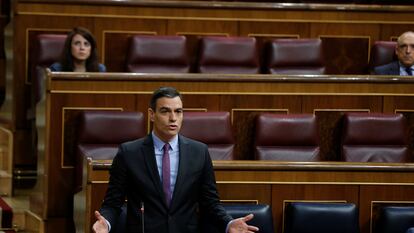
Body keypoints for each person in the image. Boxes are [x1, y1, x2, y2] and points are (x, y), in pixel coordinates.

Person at [92, 86, 259, 233]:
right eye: (165, 111)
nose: (173, 118)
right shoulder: (129, 153)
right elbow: (113, 203)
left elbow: (210, 203)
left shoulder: (199, 152)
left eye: (178, 111)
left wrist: (228, 222)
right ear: (152, 114)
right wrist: (105, 223)